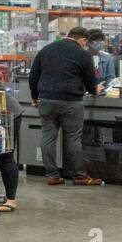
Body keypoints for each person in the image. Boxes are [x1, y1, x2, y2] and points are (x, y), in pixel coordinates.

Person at [29, 26, 104, 186]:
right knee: (73, 138)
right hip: (71, 102)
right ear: (83, 40)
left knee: (48, 136)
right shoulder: (83, 54)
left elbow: (33, 75)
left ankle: (52, 175)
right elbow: (91, 83)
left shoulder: (46, 50)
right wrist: (95, 89)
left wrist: (35, 97)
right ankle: (80, 176)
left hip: (46, 100)